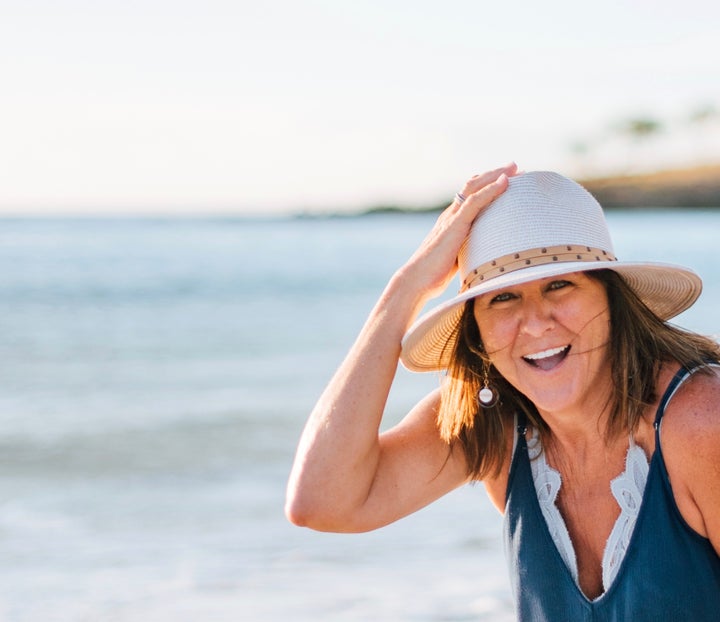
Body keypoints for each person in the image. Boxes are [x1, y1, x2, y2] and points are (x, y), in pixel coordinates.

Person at [285, 164, 720, 620]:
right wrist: (407, 287)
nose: (535, 322)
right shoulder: (494, 426)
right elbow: (322, 502)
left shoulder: (698, 421)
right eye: (503, 298)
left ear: (612, 298)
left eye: (559, 285)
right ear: (477, 330)